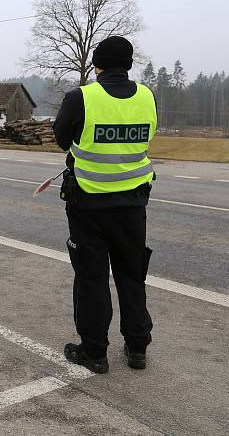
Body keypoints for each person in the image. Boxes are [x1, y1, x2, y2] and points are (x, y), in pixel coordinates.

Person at [53, 36, 157, 374]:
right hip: (133, 204)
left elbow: (61, 139)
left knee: (92, 277)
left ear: (97, 64)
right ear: (128, 64)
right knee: (132, 275)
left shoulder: (81, 97)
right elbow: (148, 137)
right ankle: (137, 347)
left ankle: (94, 351)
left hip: (89, 205)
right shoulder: (147, 97)